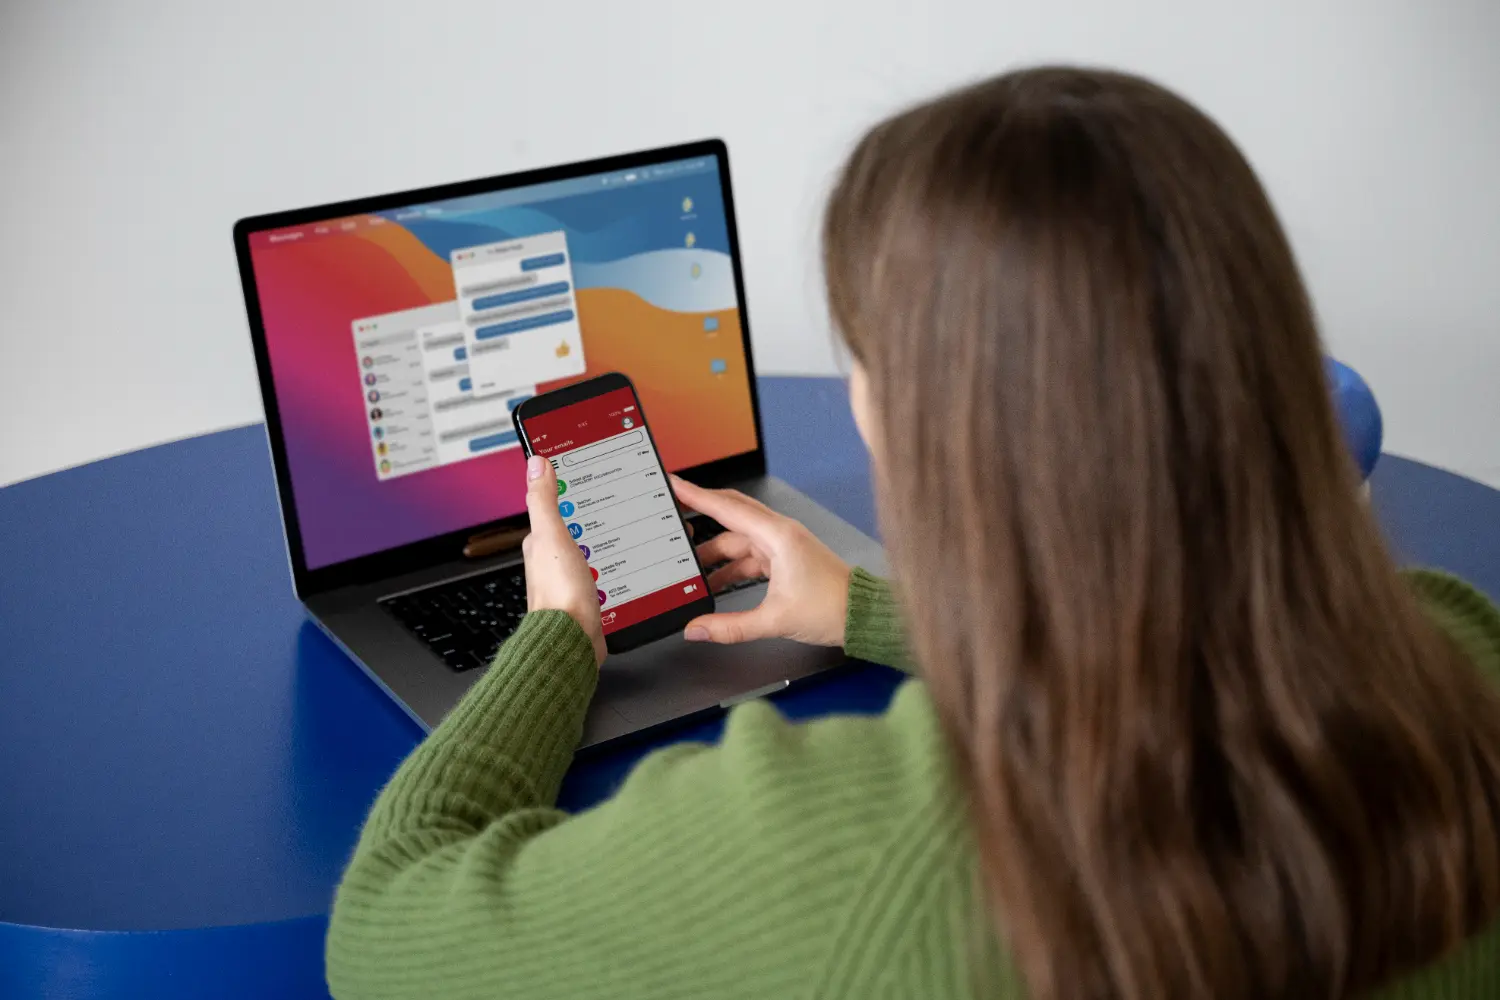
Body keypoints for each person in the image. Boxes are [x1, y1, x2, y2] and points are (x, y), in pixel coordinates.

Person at [326, 68, 1500, 1000]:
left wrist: (555, 636)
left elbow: (384, 928)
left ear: (930, 430)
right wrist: (871, 610)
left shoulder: (838, 848)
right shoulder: (1460, 654)